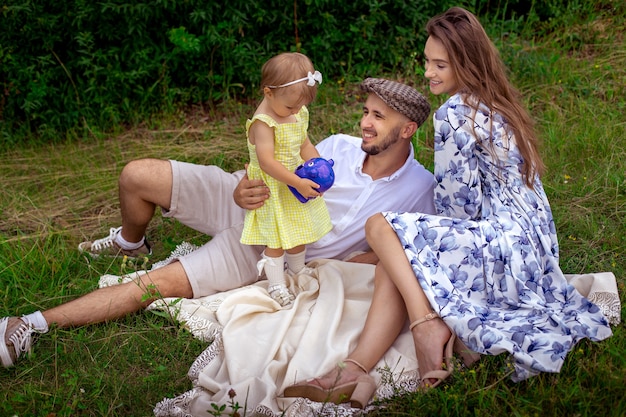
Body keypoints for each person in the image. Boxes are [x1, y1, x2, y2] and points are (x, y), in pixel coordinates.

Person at [284, 7, 613, 408]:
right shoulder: (497, 102)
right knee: (401, 252)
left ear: (467, 64)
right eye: (427, 61)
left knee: (382, 228)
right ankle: (354, 371)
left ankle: (427, 327)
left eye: (440, 64)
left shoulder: (454, 114)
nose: (428, 72)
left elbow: (460, 209)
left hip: (502, 243)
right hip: (536, 247)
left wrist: (416, 250)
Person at [0, 77, 436, 368]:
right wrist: (244, 189)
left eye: (378, 117)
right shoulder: (339, 145)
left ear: (408, 129)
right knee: (137, 175)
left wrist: (353, 259)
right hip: (250, 201)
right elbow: (277, 166)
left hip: (270, 252)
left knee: (153, 285)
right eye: (365, 112)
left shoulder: (420, 189)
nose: (364, 123)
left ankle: (30, 324)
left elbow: (408, 253)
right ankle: (130, 243)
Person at [240, 52, 331, 308]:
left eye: (300, 106)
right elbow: (267, 162)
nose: (297, 111)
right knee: (277, 239)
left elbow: (304, 143)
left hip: (294, 181)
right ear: (268, 93)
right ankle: (277, 284)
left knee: (298, 229)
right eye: (291, 107)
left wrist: (318, 166)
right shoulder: (263, 123)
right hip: (273, 186)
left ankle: (297, 270)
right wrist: (296, 182)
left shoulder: (296, 112)